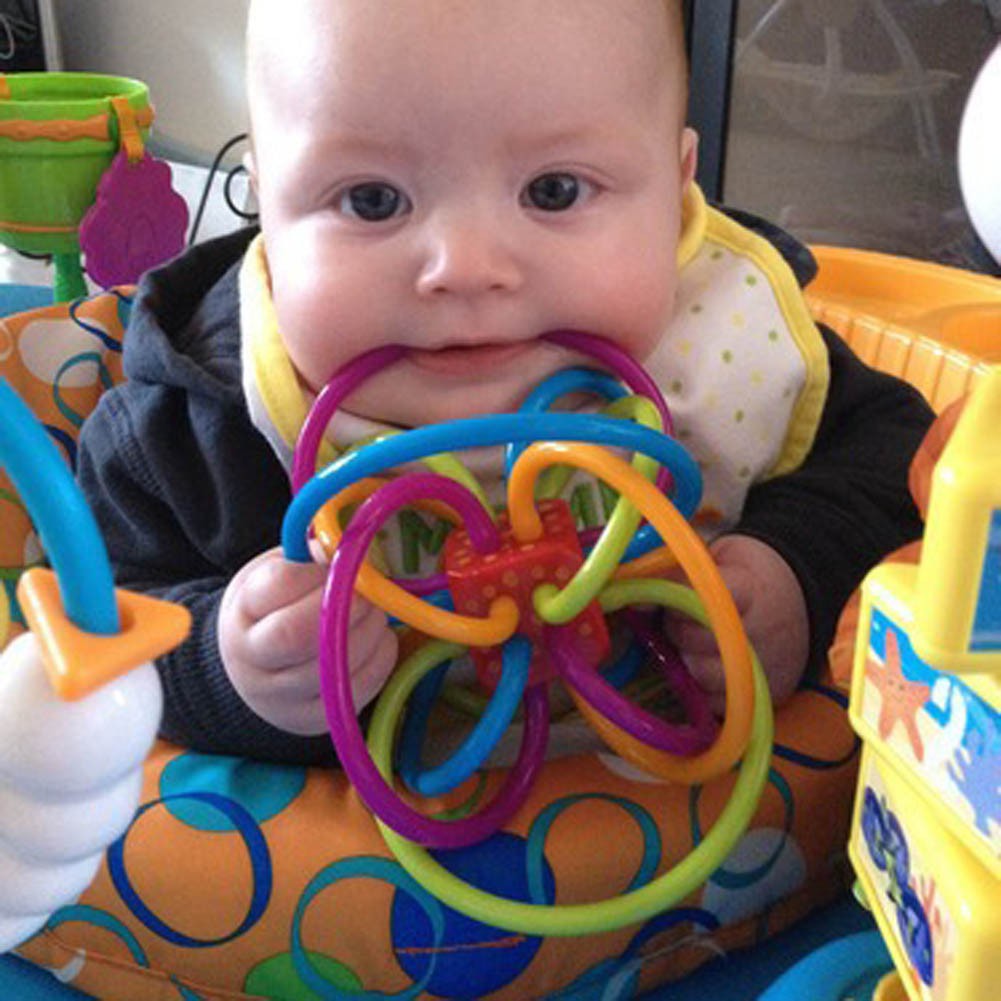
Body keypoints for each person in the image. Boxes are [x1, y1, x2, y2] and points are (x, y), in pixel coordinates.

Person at [77, 0, 933, 765]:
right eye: (372, 200)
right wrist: (227, 666)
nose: (465, 266)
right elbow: (100, 623)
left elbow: (905, 464)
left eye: (553, 191)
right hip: (358, 871)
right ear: (267, 202)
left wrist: (795, 570)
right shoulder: (196, 426)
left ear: (675, 193)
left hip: (705, 822)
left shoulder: (733, 345)